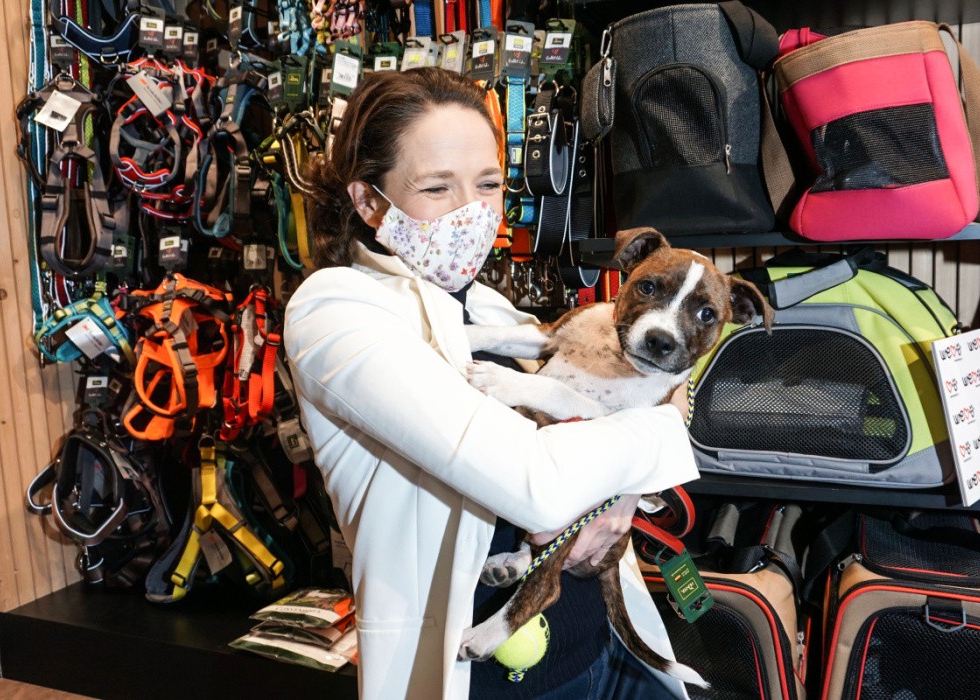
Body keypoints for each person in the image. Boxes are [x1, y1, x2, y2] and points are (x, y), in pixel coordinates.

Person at [283, 67, 700, 699]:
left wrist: (626, 481)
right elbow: (538, 485)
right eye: (436, 187)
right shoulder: (336, 312)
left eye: (487, 184)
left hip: (602, 648)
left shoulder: (488, 308)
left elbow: (637, 386)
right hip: (490, 679)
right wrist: (660, 437)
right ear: (369, 202)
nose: (471, 212)